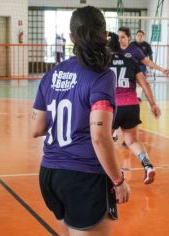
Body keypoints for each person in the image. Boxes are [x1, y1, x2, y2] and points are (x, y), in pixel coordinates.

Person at [31, 6, 130, 236]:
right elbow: (99, 136)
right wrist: (118, 180)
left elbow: (36, 129)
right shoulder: (102, 76)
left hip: (50, 175)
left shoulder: (52, 74)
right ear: (105, 35)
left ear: (71, 37)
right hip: (83, 177)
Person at [108, 32, 161, 185]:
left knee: (106, 141)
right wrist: (152, 104)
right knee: (132, 141)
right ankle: (147, 165)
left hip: (112, 107)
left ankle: (110, 174)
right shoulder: (130, 61)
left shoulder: (104, 62)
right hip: (131, 106)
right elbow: (145, 84)